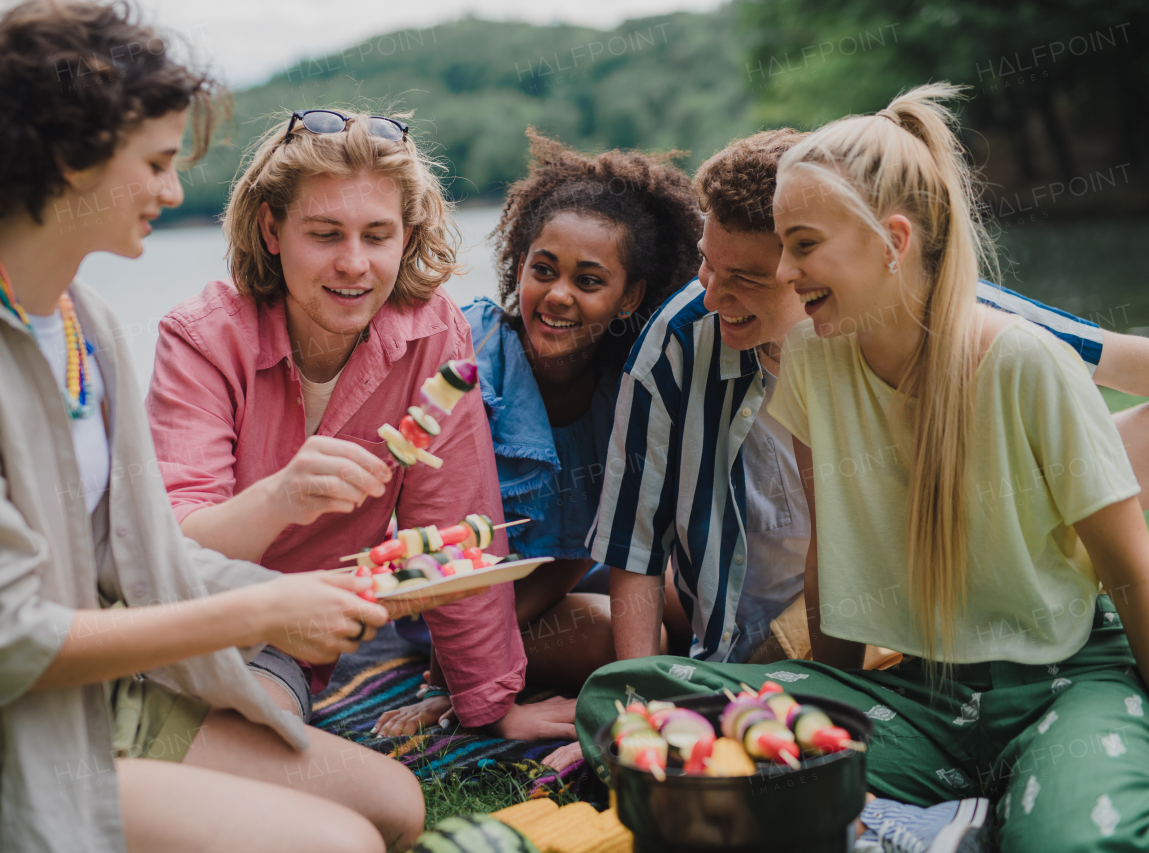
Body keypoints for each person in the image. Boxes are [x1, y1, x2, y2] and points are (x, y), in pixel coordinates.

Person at [0, 4, 438, 851]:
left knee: (395, 804)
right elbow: (9, 643)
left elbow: (132, 556)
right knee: (340, 841)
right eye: (160, 163)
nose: (175, 192)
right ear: (73, 162)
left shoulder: (81, 320)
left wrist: (310, 597)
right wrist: (266, 606)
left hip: (109, 698)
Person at [580, 84, 1149, 853]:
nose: (786, 269)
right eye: (780, 244)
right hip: (921, 700)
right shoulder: (814, 355)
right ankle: (938, 818)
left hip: (1061, 682)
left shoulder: (1026, 358)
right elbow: (828, 550)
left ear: (893, 240)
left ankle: (938, 817)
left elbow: (1131, 572)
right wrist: (836, 705)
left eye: (802, 245)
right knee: (627, 696)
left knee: (1072, 842)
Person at [144, 106, 570, 739]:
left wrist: (490, 705)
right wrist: (281, 498)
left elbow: (454, 529)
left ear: (406, 234)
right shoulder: (202, 339)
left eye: (377, 236)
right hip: (177, 618)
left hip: (281, 646)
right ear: (271, 229)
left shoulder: (432, 334)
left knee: (261, 727)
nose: (354, 264)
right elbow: (172, 557)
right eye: (324, 234)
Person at [373, 131, 701, 736]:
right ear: (519, 264)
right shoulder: (467, 358)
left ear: (629, 296)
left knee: (693, 601)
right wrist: (461, 680)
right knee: (640, 636)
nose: (557, 296)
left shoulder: (630, 384)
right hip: (459, 600)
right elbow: (440, 542)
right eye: (543, 270)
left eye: (589, 281)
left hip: (559, 573)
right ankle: (470, 671)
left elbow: (592, 550)